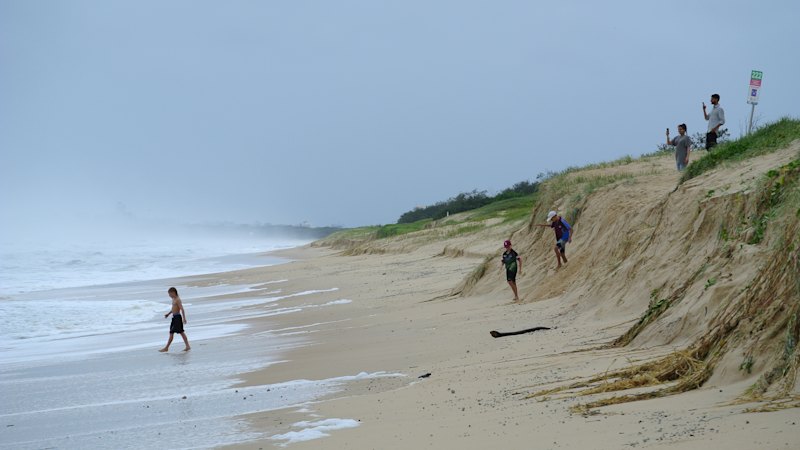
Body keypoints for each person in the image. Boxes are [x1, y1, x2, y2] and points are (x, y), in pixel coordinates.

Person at [159, 287, 191, 352]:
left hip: (177, 318)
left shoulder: (178, 300)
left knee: (179, 332)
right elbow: (173, 308)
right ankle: (187, 346)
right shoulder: (173, 299)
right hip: (174, 318)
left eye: (170, 294)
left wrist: (184, 318)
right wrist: (168, 314)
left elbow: (182, 309)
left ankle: (166, 348)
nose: (169, 295)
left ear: (173, 292)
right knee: (175, 332)